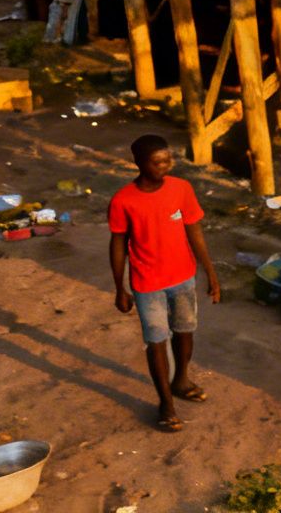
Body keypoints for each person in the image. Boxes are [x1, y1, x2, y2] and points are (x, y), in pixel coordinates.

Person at [107, 133, 220, 432]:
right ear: (139, 163)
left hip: (183, 276)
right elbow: (118, 243)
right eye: (158, 162)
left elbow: (194, 229)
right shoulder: (123, 200)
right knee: (156, 340)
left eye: (168, 159)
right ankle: (166, 403)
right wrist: (120, 286)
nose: (165, 166)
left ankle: (181, 379)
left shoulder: (181, 189)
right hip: (147, 283)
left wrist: (210, 272)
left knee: (185, 331)